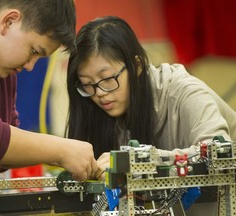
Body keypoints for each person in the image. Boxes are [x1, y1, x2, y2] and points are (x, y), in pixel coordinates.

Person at [65, 16, 236, 215]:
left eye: (107, 79)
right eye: (87, 84)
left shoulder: (186, 93)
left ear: (136, 66)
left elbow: (219, 157)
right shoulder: (108, 109)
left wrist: (138, 160)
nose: (100, 92)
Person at [0, 0, 98, 197]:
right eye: (34, 51)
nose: (29, 66)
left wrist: (67, 158)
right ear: (9, 21)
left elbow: (0, 154)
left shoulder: (2, 72)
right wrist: (61, 149)